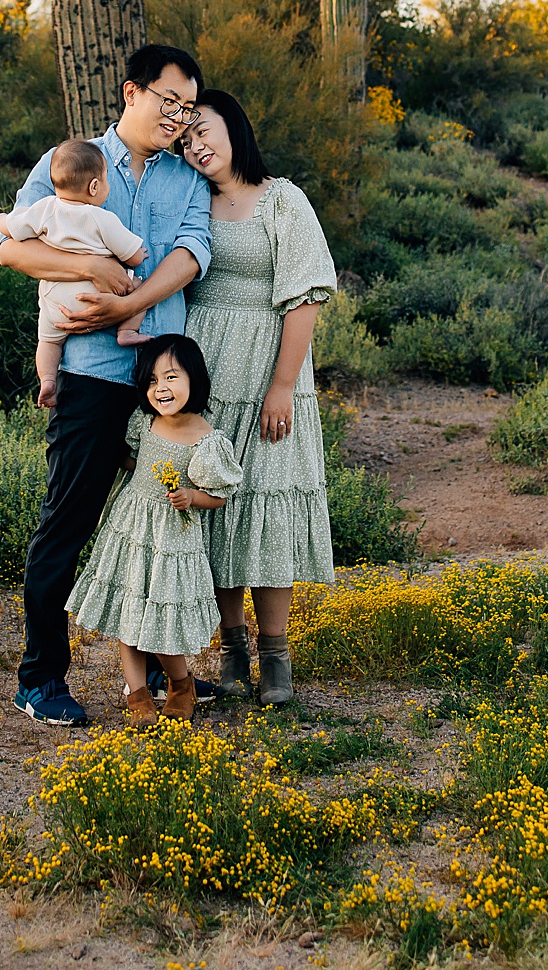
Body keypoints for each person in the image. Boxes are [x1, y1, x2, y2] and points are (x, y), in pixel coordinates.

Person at [0, 44, 212, 727]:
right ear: (131, 91)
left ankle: (162, 672)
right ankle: (40, 680)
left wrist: (129, 304)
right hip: (90, 372)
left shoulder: (186, 176)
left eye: (188, 108)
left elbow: (192, 253)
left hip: (163, 379)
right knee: (70, 519)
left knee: (162, 522)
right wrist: (92, 271)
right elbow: (12, 247)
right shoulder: (71, 160)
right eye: (169, 101)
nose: (177, 117)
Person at [183, 90, 336, 707]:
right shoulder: (190, 200)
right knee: (220, 510)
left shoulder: (282, 200)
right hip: (208, 376)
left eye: (203, 131)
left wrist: (282, 386)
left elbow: (304, 298)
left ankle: (276, 659)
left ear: (233, 127)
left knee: (268, 512)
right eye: (185, 140)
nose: (196, 146)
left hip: (270, 375)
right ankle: (231, 652)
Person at [66, 334, 242, 724]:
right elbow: (135, 463)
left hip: (171, 540)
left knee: (162, 620)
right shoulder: (145, 423)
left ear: (195, 378)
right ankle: (138, 694)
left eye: (171, 377)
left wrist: (191, 496)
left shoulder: (206, 439)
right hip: (131, 529)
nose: (160, 388)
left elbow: (219, 496)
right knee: (128, 612)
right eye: (152, 381)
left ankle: (180, 683)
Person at [0, 137, 152, 411]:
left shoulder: (44, 209)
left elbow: (13, 227)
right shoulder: (101, 217)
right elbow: (132, 256)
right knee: (138, 286)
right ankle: (127, 331)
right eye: (106, 181)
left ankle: (47, 380)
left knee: (48, 342)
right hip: (97, 294)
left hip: (56, 301)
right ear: (94, 186)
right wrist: (140, 254)